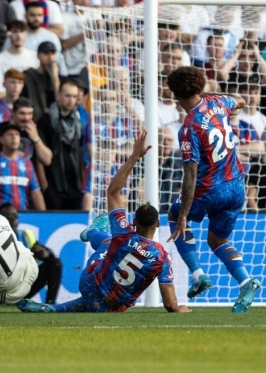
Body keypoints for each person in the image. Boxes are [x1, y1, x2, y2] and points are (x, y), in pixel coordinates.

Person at [19, 130, 189, 314]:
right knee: (110, 266)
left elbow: (113, 192)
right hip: (111, 307)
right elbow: (170, 305)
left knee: (110, 243)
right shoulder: (162, 257)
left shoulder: (124, 232)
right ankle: (56, 306)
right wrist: (181, 309)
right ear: (157, 224)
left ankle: (53, 306)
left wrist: (134, 157)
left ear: (133, 222)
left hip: (88, 284)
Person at [165, 66, 261, 313]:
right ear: (201, 87)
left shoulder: (189, 127)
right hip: (237, 185)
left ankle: (198, 275)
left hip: (209, 188)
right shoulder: (218, 102)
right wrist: (221, 101)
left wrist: (184, 213)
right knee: (218, 239)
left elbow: (190, 174)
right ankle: (246, 282)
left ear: (175, 95)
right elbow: (239, 100)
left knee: (176, 216)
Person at [0, 204, 63, 304]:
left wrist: (45, 254)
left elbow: (50, 256)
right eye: (10, 217)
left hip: (22, 285)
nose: (14, 220)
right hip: (2, 289)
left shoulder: (25, 235)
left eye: (16, 216)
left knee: (54, 263)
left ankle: (50, 304)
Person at [38, 80, 86, 210]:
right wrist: (45, 186)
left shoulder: (78, 121)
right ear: (58, 95)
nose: (71, 100)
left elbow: (81, 152)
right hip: (54, 184)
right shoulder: (46, 120)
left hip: (75, 184)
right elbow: (38, 157)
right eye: (67, 96)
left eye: (75, 96)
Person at [0, 124, 45, 211]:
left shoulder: (27, 164)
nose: (14, 137)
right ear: (1, 140)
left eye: (17, 134)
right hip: (0, 217)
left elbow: (36, 193)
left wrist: (44, 216)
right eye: (10, 134)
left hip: (23, 217)